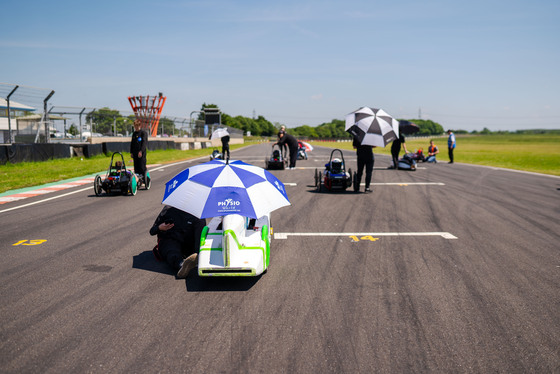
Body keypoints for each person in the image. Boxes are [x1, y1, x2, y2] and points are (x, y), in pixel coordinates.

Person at [150, 205, 206, 279]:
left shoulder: (198, 214)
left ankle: (199, 256)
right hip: (170, 240)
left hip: (188, 245)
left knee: (200, 222)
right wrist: (160, 227)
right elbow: (152, 231)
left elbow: (199, 235)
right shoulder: (168, 209)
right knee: (172, 250)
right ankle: (181, 265)